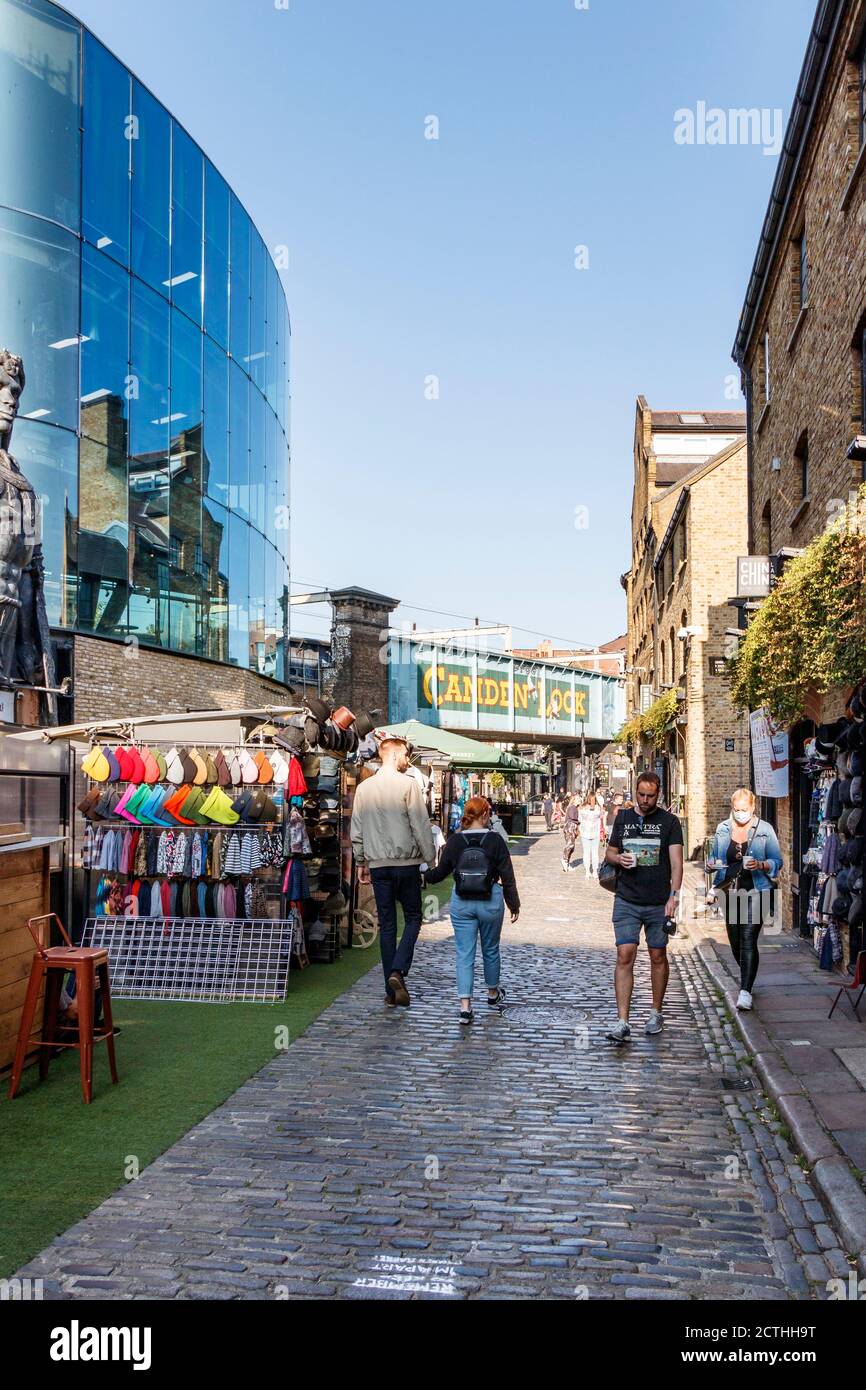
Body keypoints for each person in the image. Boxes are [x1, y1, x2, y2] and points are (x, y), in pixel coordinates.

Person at [350, 735, 436, 1008]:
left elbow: (357, 830)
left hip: (378, 865)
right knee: (413, 917)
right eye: (405, 755)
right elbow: (420, 824)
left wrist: (361, 861)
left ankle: (391, 991)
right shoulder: (408, 785)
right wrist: (430, 858)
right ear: (393, 754)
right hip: (405, 864)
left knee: (387, 925)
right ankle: (398, 971)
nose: (407, 760)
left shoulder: (365, 788)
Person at [424, 796, 520, 1024]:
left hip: (462, 902)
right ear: (486, 815)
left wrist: (421, 873)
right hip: (490, 901)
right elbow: (507, 875)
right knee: (491, 948)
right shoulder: (495, 840)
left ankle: (465, 1007)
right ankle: (492, 993)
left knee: (464, 953)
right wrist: (513, 904)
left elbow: (438, 874)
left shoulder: (455, 842)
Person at [603, 770, 683, 1042]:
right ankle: (622, 1021)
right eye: (641, 795)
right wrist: (619, 860)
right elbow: (610, 852)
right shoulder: (623, 818)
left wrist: (674, 896)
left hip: (658, 901)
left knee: (657, 956)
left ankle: (656, 1011)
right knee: (625, 954)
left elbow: (677, 863)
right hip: (626, 898)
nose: (645, 800)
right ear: (635, 792)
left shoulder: (669, 822)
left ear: (658, 794)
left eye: (650, 795)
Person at [706, 788, 783, 1011]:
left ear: (753, 807)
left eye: (744, 810)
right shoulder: (723, 829)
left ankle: (745, 991)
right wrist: (711, 864)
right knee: (736, 941)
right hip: (730, 891)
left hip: (757, 889)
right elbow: (715, 857)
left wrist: (761, 865)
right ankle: (748, 975)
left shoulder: (765, 829)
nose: (740, 814)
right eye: (736, 810)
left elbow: (778, 861)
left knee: (748, 938)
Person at [578, 794, 603, 879]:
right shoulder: (598, 808)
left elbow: (579, 819)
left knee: (587, 852)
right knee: (594, 852)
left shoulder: (583, 808)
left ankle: (588, 871)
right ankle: (593, 871)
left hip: (586, 832)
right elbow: (601, 816)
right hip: (594, 832)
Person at [561, 792, 581, 872]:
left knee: (572, 847)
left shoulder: (573, 807)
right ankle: (564, 860)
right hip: (570, 827)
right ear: (574, 800)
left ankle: (566, 864)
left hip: (571, 827)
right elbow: (573, 818)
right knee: (570, 845)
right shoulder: (572, 807)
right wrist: (580, 822)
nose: (580, 800)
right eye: (578, 799)